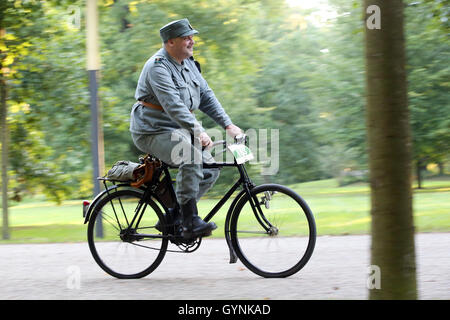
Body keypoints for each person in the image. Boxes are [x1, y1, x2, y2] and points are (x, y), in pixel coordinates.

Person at [130, 18, 242, 239]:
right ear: (170, 42)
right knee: (189, 156)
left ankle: (175, 216)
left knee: (211, 166)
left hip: (178, 129)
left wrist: (228, 124)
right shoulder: (157, 67)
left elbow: (206, 96)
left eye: (192, 36)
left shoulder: (189, 63)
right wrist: (198, 131)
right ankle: (190, 222)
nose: (192, 41)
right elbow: (173, 105)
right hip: (151, 130)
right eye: (186, 37)